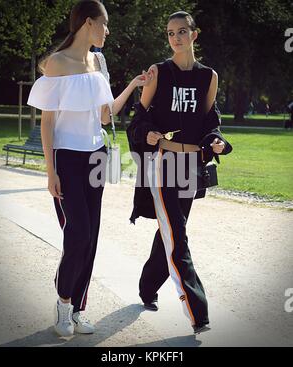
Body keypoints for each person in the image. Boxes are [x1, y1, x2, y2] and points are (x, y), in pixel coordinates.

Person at [27, 0, 152, 337]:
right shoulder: (56, 64)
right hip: (66, 158)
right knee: (78, 233)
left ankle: (78, 309)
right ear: (87, 23)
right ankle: (63, 304)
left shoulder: (98, 62)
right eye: (104, 24)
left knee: (91, 236)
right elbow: (48, 122)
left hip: (95, 155)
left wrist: (132, 86)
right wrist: (50, 172)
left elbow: (105, 115)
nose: (108, 31)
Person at [127, 11, 232, 334]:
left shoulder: (208, 77)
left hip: (192, 168)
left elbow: (210, 121)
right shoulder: (158, 72)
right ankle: (198, 312)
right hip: (163, 164)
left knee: (171, 232)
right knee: (177, 236)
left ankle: (146, 287)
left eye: (182, 31)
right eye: (171, 33)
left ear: (194, 35)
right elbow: (137, 119)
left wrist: (215, 140)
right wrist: (147, 133)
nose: (176, 38)